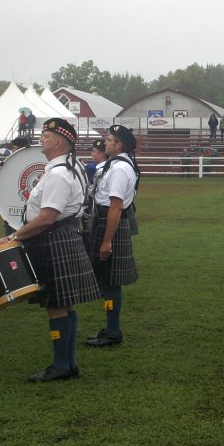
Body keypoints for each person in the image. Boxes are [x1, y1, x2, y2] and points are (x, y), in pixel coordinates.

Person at [0, 118, 99, 381]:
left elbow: (46, 217)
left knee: (57, 305)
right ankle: (67, 364)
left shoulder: (59, 174)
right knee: (65, 304)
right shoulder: (64, 168)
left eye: (45, 135)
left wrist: (14, 237)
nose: (41, 138)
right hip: (58, 238)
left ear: (57, 141)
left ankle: (61, 366)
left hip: (53, 239)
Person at [85, 124, 139, 347]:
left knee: (110, 282)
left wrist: (107, 240)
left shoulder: (119, 169)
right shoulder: (115, 165)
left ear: (119, 145)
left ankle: (113, 332)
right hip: (105, 220)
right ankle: (111, 329)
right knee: (108, 281)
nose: (105, 142)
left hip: (110, 223)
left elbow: (115, 207)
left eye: (108, 139)